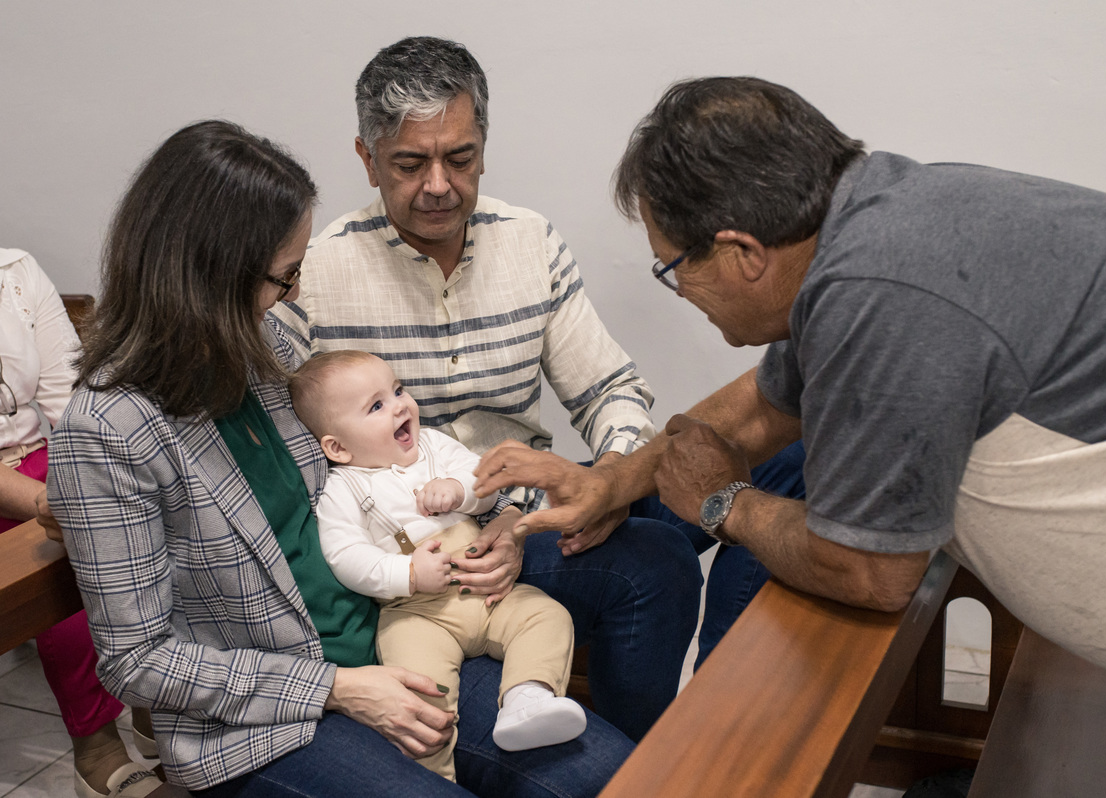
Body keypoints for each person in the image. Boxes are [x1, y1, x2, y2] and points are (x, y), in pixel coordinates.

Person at [474, 76, 1106, 796]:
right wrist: (613, 480)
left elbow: (874, 574)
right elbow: (766, 402)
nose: (679, 289)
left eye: (674, 268)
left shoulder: (882, 296)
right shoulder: (879, 226)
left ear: (741, 252)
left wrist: (726, 503)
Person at [46, 119, 632, 797]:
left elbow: (378, 475)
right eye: (283, 276)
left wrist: (479, 518)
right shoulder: (107, 430)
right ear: (208, 277)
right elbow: (138, 662)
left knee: (608, 777)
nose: (292, 295)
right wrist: (340, 688)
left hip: (396, 634)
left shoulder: (267, 351)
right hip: (272, 719)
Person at [270, 37, 798, 711]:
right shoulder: (313, 274)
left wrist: (603, 482)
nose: (438, 185)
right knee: (658, 559)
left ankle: (724, 718)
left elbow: (611, 393)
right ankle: (635, 761)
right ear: (366, 160)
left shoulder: (529, 241)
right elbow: (298, 463)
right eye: (409, 164)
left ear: (484, 145)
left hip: (535, 505)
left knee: (777, 459)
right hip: (425, 543)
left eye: (459, 158)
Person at [289, 349, 587, 781]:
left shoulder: (434, 445)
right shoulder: (344, 490)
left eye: (397, 390)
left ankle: (527, 698)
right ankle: (433, 778)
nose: (399, 406)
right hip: (416, 614)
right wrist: (406, 574)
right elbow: (345, 556)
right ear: (338, 447)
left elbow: (482, 480)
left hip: (484, 589)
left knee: (546, 616)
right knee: (420, 692)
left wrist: (460, 490)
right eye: (377, 406)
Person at [1, 246, 162, 798]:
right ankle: (96, 746)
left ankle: (150, 697)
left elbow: (74, 399)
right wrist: (54, 505)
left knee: (135, 501)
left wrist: (94, 478)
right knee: (61, 554)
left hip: (39, 454)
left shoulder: (13, 269)